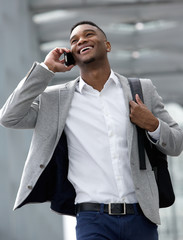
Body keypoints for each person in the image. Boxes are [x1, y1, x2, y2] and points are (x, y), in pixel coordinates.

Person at [0, 21, 183, 240]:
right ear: (72, 55)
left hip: (141, 218)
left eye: (89, 35)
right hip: (92, 219)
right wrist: (46, 69)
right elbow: (9, 116)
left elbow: (176, 143)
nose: (81, 41)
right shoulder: (55, 100)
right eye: (74, 41)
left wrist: (153, 124)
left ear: (107, 45)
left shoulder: (141, 89)